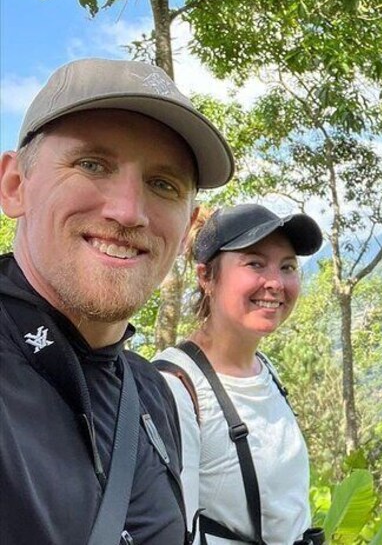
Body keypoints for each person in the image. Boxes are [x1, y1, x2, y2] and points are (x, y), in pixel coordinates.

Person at [0, 58, 235, 544]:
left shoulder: (153, 395)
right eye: (91, 164)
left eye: (163, 185)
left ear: (188, 225)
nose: (129, 212)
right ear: (15, 186)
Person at [153, 203, 323, 544]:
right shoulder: (177, 386)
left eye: (287, 266)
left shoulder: (265, 369)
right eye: (255, 263)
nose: (276, 282)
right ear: (206, 277)